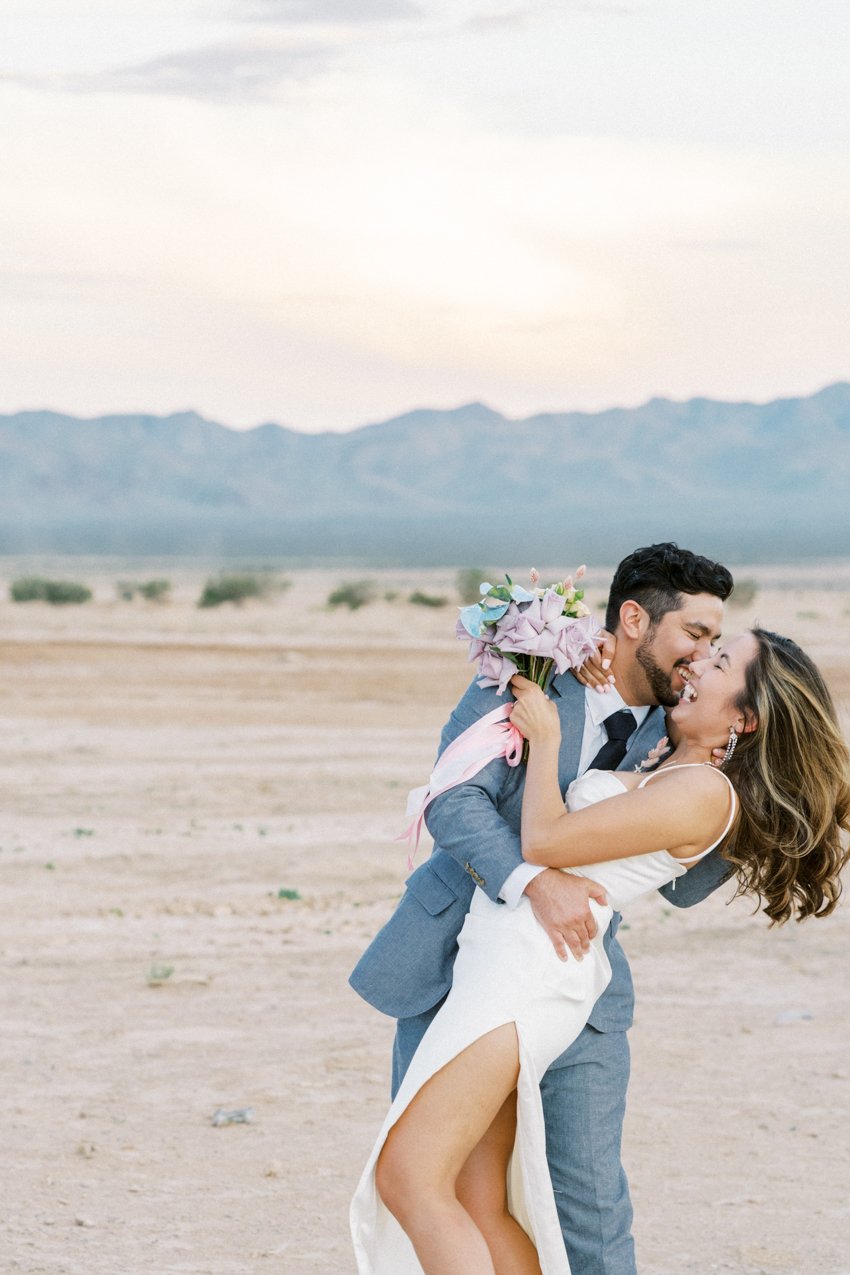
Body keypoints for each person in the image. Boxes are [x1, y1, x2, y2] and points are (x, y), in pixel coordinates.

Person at [351, 629, 849, 1274]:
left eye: (719, 661)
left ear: (745, 716)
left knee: (409, 1176)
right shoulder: (671, 770)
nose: (698, 663)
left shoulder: (704, 793)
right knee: (476, 1198)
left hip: (526, 977)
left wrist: (548, 736)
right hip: (504, 960)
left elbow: (546, 840)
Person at [350, 542, 737, 1272]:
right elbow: (453, 798)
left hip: (570, 978)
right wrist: (533, 879)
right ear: (632, 619)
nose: (701, 655)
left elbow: (683, 882)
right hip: (456, 963)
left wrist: (758, 793)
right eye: (695, 633)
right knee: (461, 1184)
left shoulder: (685, 730)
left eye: (715, 643)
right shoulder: (527, 671)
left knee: (589, 1206)